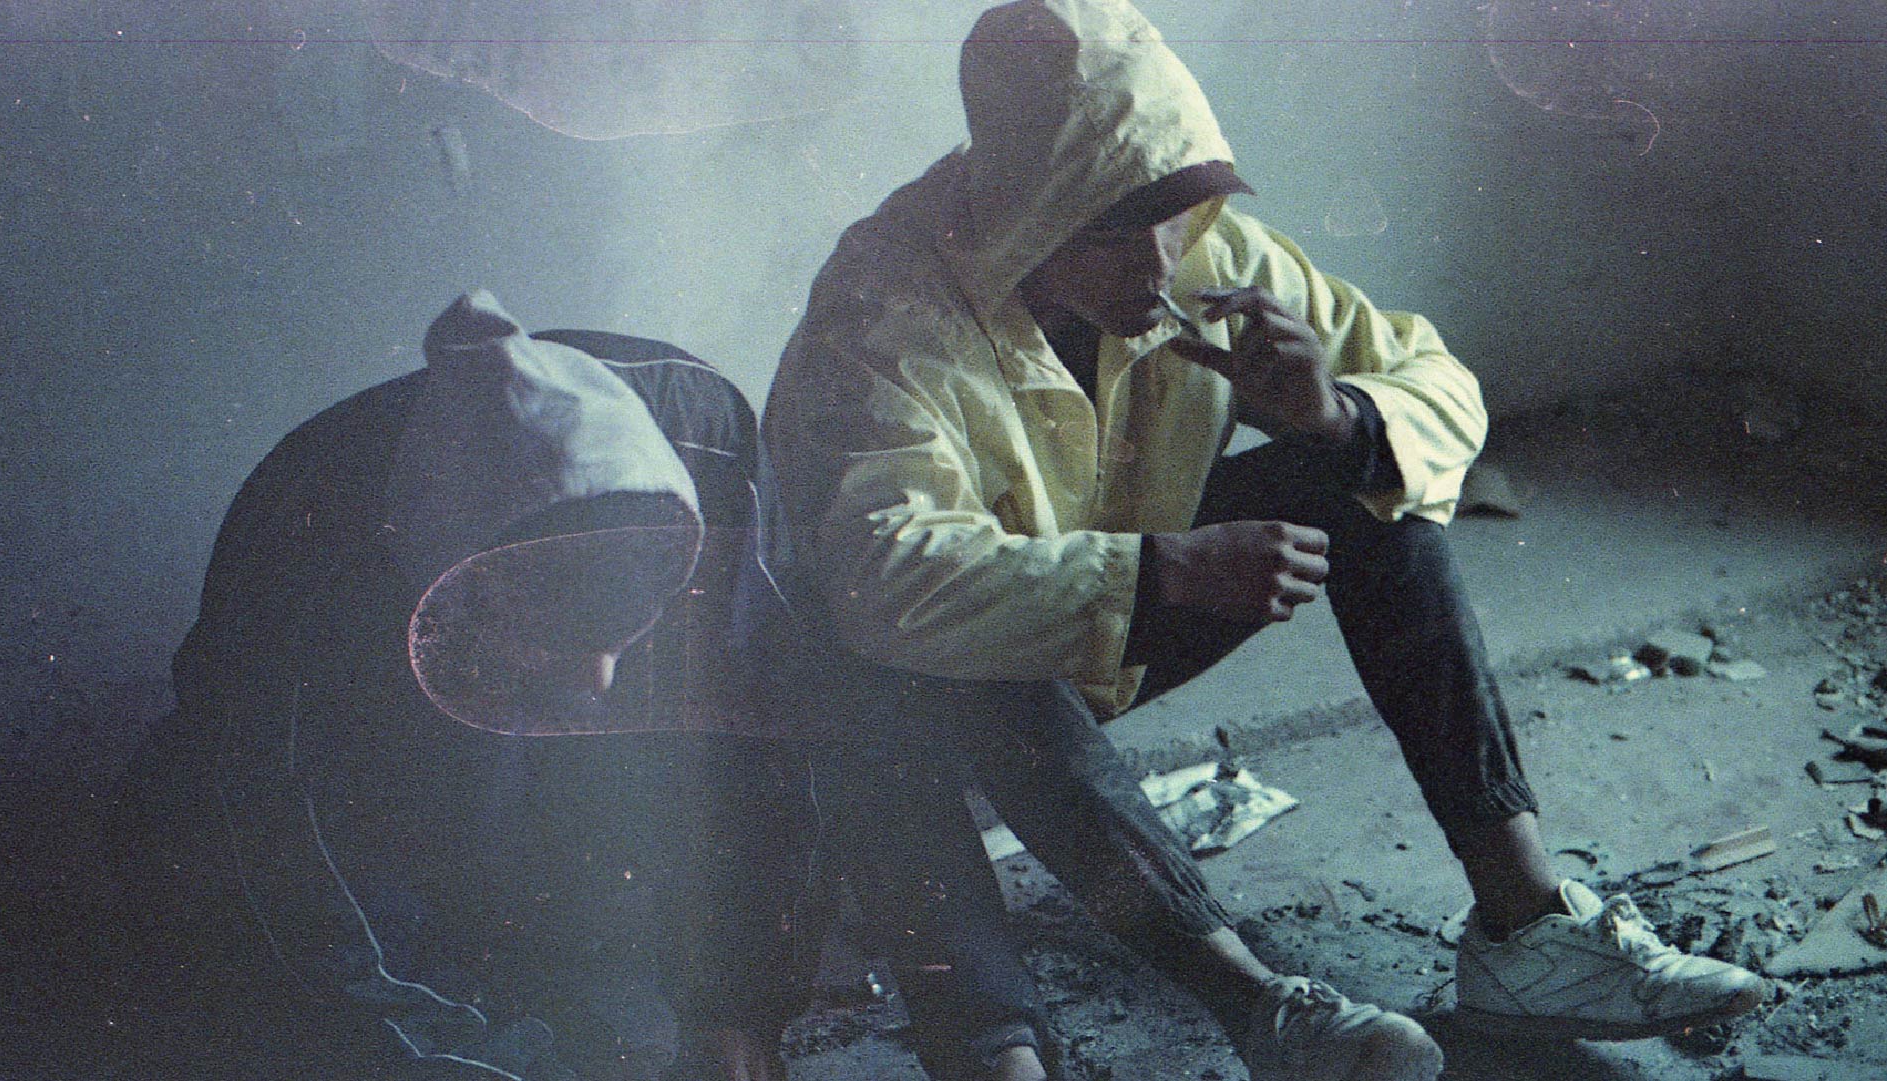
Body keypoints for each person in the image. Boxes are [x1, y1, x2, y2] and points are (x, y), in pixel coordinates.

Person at [759, 3, 1771, 1080]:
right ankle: (1248, 1002)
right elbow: (884, 580)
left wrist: (1330, 414)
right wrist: (1162, 572)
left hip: (1100, 629)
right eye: (1113, 230)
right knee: (952, 648)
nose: (1158, 263)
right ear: (1027, 212)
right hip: (910, 701)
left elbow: (1435, 381)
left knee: (1361, 473)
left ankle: (1525, 926)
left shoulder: (1204, 255)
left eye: (1174, 214)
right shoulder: (884, 307)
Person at [108, 291, 825, 1081]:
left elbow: (762, 738)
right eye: (561, 637)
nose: (599, 678)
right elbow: (282, 851)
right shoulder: (300, 547)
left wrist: (734, 1004)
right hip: (343, 766)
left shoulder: (708, 434)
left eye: (623, 622)